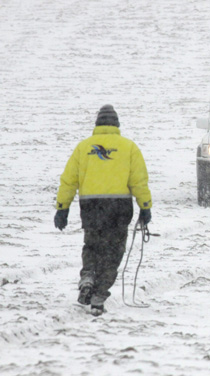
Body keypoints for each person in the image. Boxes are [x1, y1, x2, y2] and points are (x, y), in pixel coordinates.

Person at [54, 104, 152, 316]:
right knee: (113, 252)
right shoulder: (129, 147)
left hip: (91, 206)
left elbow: (69, 180)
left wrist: (62, 208)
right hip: (118, 207)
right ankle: (98, 296)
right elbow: (139, 181)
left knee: (92, 245)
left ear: (97, 124)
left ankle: (88, 275)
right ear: (117, 125)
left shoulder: (83, 147)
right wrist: (145, 207)